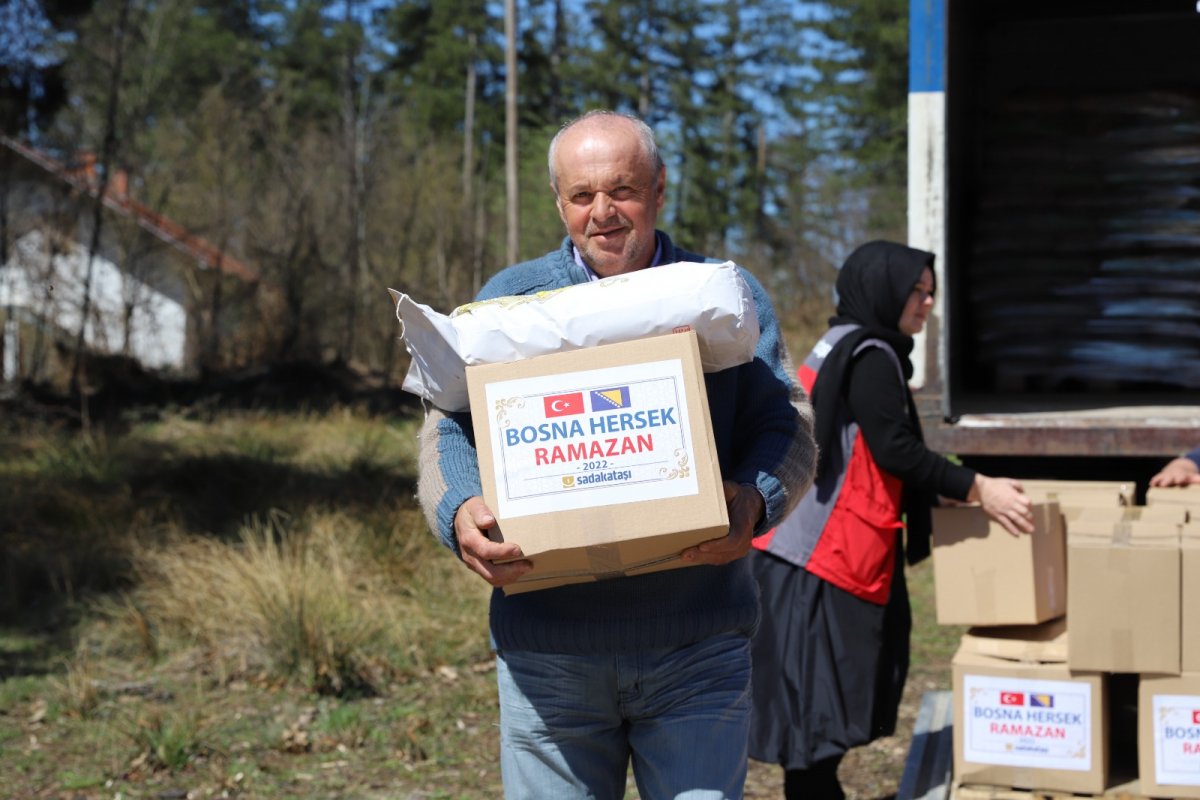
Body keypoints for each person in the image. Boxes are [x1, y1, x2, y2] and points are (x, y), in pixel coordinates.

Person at [416, 109, 818, 799]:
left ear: (660, 189)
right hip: (548, 656)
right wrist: (457, 510)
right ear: (559, 203)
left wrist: (753, 500)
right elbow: (450, 425)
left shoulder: (724, 295)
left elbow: (788, 424)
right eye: (582, 196)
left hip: (698, 646)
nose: (603, 212)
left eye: (623, 190)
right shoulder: (509, 302)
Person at [746, 240, 1035, 800]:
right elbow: (895, 448)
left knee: (809, 713)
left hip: (794, 547)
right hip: (826, 557)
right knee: (818, 717)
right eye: (916, 291)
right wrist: (979, 487)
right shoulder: (872, 355)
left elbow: (861, 449)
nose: (926, 303)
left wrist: (933, 498)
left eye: (931, 293)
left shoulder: (839, 342)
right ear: (884, 290)